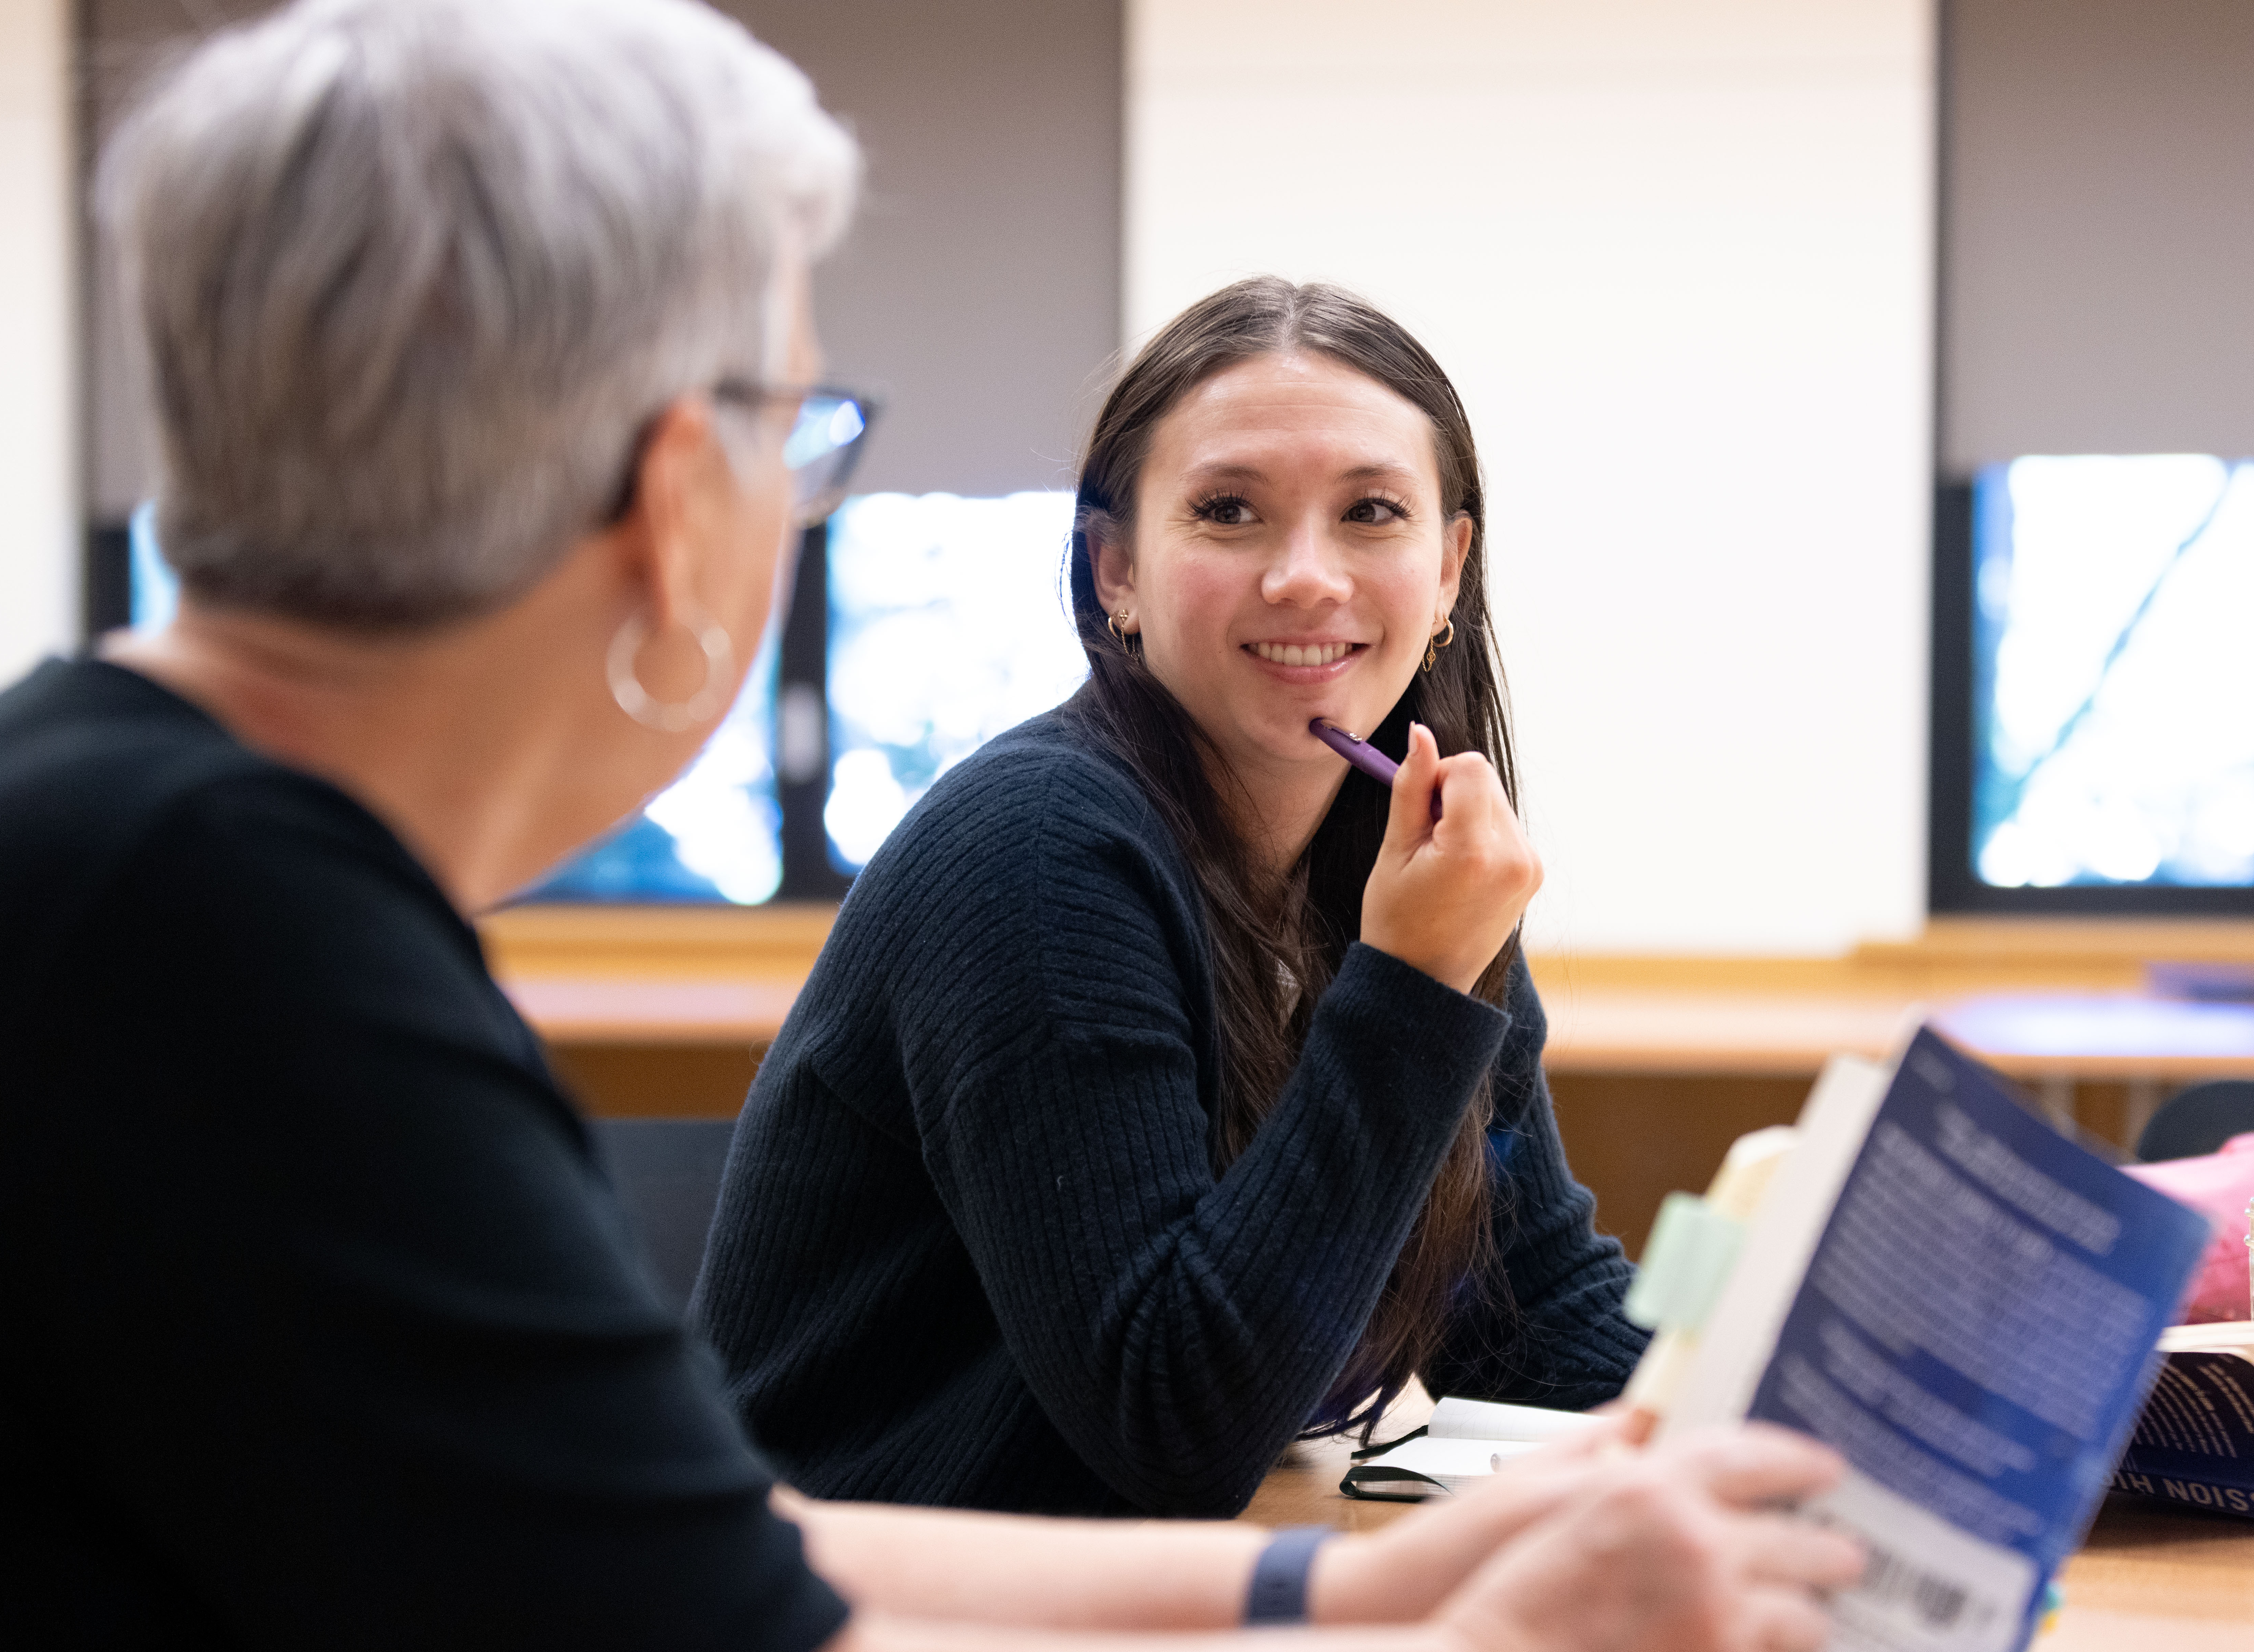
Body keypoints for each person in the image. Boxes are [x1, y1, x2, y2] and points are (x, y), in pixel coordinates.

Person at [0, 2, 1860, 1652]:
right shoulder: (214, 949)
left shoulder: (126, 863)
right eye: (804, 430)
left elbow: (715, 1564)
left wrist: (1359, 1595)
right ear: (686, 494)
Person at [698, 275, 1647, 1518]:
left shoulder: (1404, 862)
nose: (1307, 577)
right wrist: (1410, 990)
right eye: (1229, 512)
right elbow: (1174, 1423)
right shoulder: (1034, 851)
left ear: (1450, 569)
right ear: (1117, 572)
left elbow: (1523, 1308)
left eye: (1371, 512)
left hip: (1111, 1593)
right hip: (863, 1622)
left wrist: (1802, 1439)